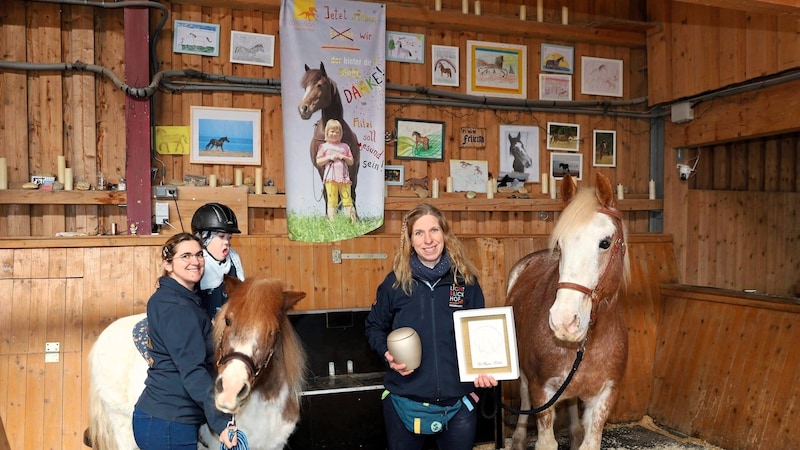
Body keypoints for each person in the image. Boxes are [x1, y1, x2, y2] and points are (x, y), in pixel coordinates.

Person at [365, 203, 497, 450]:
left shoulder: (466, 282)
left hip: (459, 404)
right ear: (410, 240)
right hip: (405, 400)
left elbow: (480, 332)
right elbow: (374, 326)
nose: (428, 240)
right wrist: (387, 353)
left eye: (434, 230)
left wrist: (486, 367)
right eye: (419, 233)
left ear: (444, 234)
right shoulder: (394, 284)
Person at [132, 233, 237, 449]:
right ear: (167, 264)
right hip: (169, 423)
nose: (195, 261)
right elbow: (193, 371)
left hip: (165, 419)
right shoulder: (177, 308)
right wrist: (222, 423)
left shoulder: (175, 298)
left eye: (199, 255)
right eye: (185, 256)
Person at [191, 202, 245, 319]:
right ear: (204, 238)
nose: (226, 242)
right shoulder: (197, 262)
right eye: (221, 237)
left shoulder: (233, 259)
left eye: (229, 238)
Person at [315, 118, 356, 222]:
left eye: (337, 132)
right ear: (327, 132)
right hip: (330, 179)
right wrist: (329, 158)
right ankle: (332, 222)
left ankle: (353, 221)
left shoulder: (345, 146)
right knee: (332, 201)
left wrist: (343, 157)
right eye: (332, 131)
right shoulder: (324, 147)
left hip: (344, 178)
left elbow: (351, 161)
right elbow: (319, 161)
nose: (335, 134)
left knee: (347, 200)